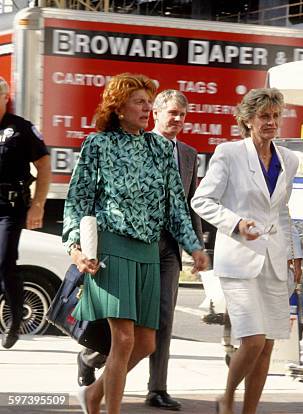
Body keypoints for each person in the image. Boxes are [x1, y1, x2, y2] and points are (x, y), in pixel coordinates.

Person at [63, 73, 207, 414]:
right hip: (111, 250)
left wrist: (195, 246)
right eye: (140, 102)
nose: (147, 108)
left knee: (145, 342)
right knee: (124, 339)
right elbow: (77, 200)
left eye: (148, 102)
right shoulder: (98, 145)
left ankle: (95, 393)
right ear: (120, 107)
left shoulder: (159, 149)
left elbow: (176, 206)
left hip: (148, 253)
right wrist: (75, 248)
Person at [191, 88, 303, 414]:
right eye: (264, 116)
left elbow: (282, 212)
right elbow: (202, 200)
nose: (271, 122)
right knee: (252, 340)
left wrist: (295, 253)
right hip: (238, 259)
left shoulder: (289, 160)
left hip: (275, 260)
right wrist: (236, 222)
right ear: (248, 120)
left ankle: (248, 410)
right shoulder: (229, 153)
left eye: (275, 116)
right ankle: (227, 397)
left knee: (267, 345)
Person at [0, 76, 51, 349]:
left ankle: (15, 318)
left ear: (4, 98)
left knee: (4, 261)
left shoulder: (21, 129)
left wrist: (38, 204)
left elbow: (44, 166)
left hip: (10, 208)